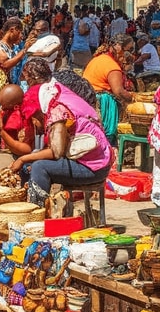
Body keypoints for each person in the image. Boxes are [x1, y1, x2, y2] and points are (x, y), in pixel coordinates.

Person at [9, 68, 113, 208]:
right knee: (30, 165)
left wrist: (22, 159)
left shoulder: (58, 110)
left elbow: (56, 153)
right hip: (92, 160)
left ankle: (36, 212)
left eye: (34, 118)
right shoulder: (61, 95)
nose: (35, 123)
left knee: (40, 167)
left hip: (94, 167)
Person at [82, 35, 134, 139]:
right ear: (118, 48)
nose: (126, 54)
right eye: (126, 50)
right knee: (107, 136)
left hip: (89, 101)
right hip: (104, 104)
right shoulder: (112, 66)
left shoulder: (98, 59)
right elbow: (118, 91)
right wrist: (134, 99)